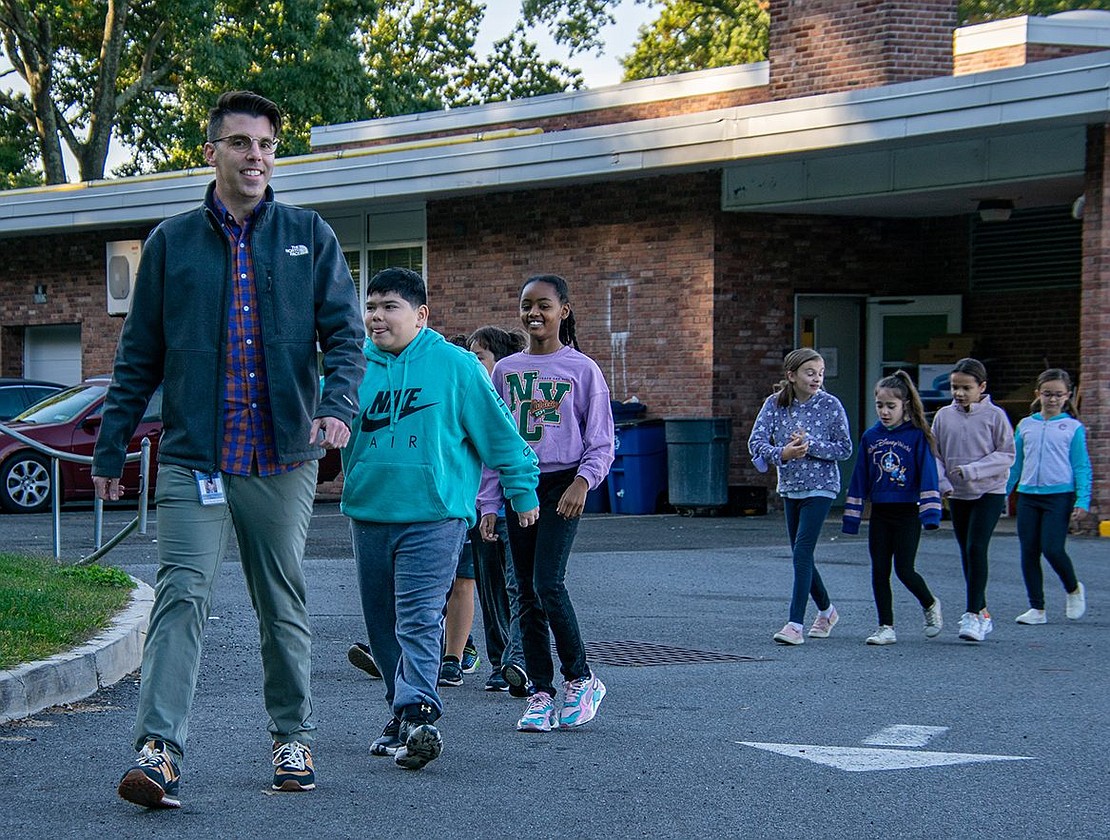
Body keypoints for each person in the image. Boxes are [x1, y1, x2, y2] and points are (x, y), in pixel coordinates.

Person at [92, 91, 366, 808]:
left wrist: (337, 406)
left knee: (281, 599)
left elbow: (345, 335)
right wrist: (108, 450)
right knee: (181, 596)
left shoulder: (308, 234)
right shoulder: (171, 243)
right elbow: (138, 357)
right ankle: (158, 751)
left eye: (267, 145)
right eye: (241, 143)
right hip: (195, 461)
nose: (256, 157)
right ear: (211, 151)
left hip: (281, 457)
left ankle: (292, 737)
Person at [342, 267, 539, 769]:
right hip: (369, 513)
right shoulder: (351, 369)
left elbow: (499, 435)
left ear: (420, 314)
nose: (376, 317)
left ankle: (418, 710)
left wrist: (521, 490)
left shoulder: (456, 366)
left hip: (434, 516)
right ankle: (403, 711)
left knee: (418, 617)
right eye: (371, 306)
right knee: (382, 626)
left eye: (390, 307)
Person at [478, 274, 614, 732]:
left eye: (544, 306)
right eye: (526, 306)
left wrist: (583, 482)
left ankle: (581, 678)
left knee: (547, 584)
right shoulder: (506, 371)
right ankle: (540, 692)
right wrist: (489, 503)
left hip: (563, 487)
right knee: (526, 594)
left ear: (564, 311)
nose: (534, 314)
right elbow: (495, 444)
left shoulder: (583, 369)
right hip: (521, 485)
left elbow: (601, 440)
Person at [748, 347, 853, 646]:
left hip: (822, 488)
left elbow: (844, 448)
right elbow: (755, 442)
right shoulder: (774, 404)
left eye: (820, 373)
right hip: (791, 488)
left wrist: (811, 445)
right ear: (791, 376)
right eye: (810, 373)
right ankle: (828, 611)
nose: (817, 378)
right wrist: (783, 453)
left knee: (802, 553)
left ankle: (795, 624)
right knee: (800, 554)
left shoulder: (831, 405)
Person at [843, 371, 944, 645]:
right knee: (879, 569)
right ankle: (885, 626)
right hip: (881, 513)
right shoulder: (871, 436)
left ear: (905, 406)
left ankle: (929, 603)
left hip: (907, 511)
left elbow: (928, 475)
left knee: (904, 569)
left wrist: (931, 513)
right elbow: (860, 477)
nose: (885, 412)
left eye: (891, 406)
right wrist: (852, 516)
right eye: (880, 405)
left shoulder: (917, 436)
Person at [931, 357, 1015, 643]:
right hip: (957, 493)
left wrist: (973, 471)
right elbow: (936, 453)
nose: (959, 393)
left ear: (982, 387)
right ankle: (982, 610)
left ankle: (972, 615)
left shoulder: (995, 416)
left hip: (989, 490)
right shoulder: (943, 416)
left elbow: (1006, 455)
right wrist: (942, 482)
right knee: (967, 552)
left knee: (977, 547)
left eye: (966, 387)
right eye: (955, 387)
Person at [468, 325, 528, 692]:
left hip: (513, 505)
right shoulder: (472, 397)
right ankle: (498, 661)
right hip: (480, 506)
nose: (474, 363)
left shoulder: (512, 400)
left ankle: (517, 658)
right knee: (490, 588)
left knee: (516, 585)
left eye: (480, 357)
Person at [1007, 368, 1090, 625]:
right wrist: (1003, 491)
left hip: (1059, 496)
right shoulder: (1026, 425)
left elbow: (1081, 465)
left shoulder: (1072, 428)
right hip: (1029, 495)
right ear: (1038, 394)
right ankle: (1037, 608)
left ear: (1067, 396)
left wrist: (1082, 499)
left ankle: (1073, 588)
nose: (1052, 400)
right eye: (1047, 394)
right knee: (1028, 550)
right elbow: (1015, 463)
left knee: (1052, 548)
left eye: (1058, 395)